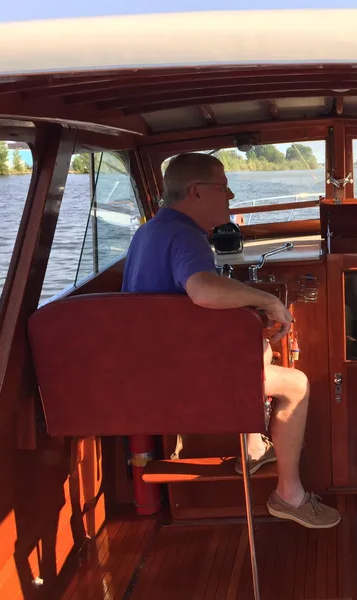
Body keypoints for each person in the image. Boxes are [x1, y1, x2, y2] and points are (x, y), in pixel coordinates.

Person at [121, 152, 340, 529]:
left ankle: (254, 448)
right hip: (176, 386)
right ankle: (290, 495)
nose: (232, 195)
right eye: (223, 188)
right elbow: (203, 290)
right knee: (298, 385)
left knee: (261, 350)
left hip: (146, 372)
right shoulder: (185, 236)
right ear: (196, 192)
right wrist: (268, 300)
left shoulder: (149, 232)